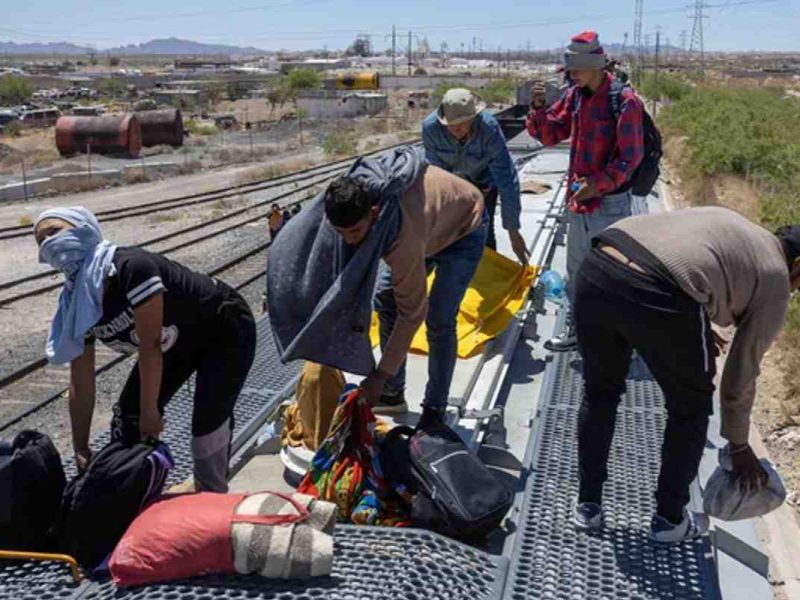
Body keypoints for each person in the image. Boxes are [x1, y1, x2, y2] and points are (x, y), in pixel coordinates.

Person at [572, 206, 799, 543]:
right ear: (797, 265)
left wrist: (695, 326)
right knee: (690, 407)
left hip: (597, 268)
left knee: (600, 392)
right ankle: (669, 520)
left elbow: (690, 263)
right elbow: (741, 372)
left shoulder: (742, 229)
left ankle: (587, 506)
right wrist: (738, 445)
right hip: (655, 287)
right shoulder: (777, 278)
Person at [34, 207, 256, 492]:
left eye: (54, 232)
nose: (49, 244)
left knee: (207, 423)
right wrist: (80, 445)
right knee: (128, 419)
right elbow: (81, 381)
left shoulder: (130, 268)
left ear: (84, 228)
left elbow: (150, 345)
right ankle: (135, 496)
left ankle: (211, 496)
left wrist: (151, 411)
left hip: (222, 326)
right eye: (41, 240)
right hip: (174, 341)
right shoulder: (78, 303)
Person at [325, 160, 487, 426]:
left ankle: (435, 408)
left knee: (439, 319)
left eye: (355, 232)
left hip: (464, 227)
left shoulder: (403, 236)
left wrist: (379, 375)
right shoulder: (350, 198)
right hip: (432, 219)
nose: (349, 240)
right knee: (385, 299)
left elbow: (412, 313)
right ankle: (393, 393)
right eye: (341, 233)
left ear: (374, 213)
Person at [526, 30, 645, 352]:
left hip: (608, 203)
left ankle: (615, 338)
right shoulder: (576, 96)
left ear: (596, 66)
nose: (571, 75)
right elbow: (550, 135)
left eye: (575, 69)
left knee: (611, 273)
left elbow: (631, 157)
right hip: (580, 201)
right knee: (577, 270)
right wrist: (538, 108)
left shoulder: (624, 102)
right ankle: (578, 329)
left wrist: (598, 185)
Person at [422, 88, 529, 265]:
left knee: (485, 230)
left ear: (474, 117)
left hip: (485, 182)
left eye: (464, 123)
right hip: (453, 183)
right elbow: (436, 175)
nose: (458, 129)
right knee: (452, 229)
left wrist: (513, 231)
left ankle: (487, 272)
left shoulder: (488, 128)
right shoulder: (431, 129)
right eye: (453, 125)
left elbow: (506, 178)